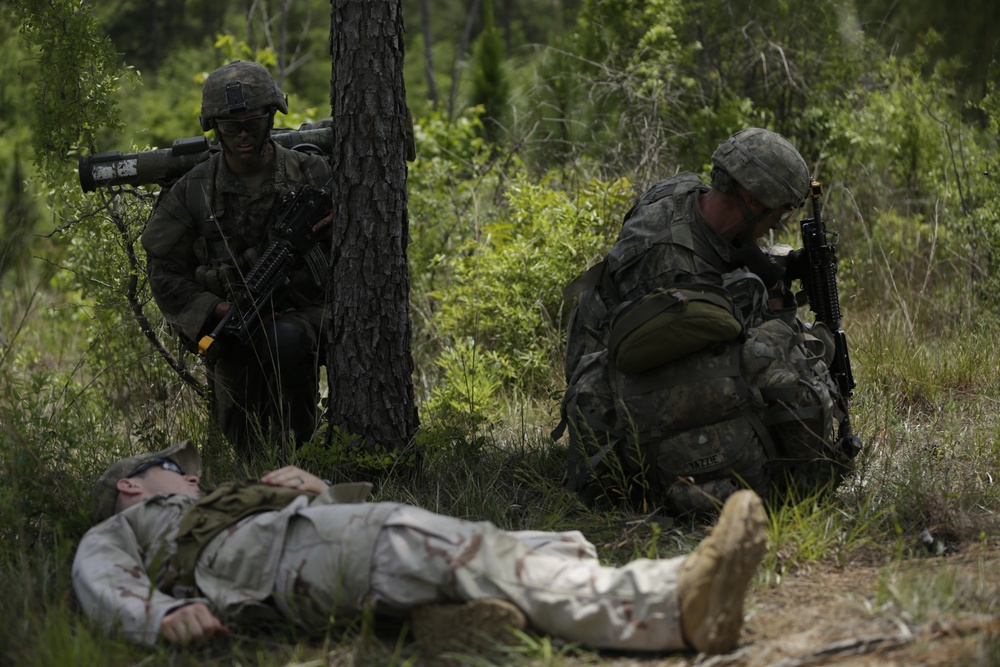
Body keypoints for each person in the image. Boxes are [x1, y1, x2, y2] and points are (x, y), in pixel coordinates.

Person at [73, 439, 769, 655]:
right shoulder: (132, 523)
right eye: (172, 468)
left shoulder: (209, 500)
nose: (189, 474)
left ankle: (447, 627)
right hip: (269, 560)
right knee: (422, 539)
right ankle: (672, 602)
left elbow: (323, 527)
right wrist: (159, 614)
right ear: (132, 488)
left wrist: (316, 487)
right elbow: (98, 574)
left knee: (550, 541)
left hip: (305, 547)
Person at [560, 127, 859, 516]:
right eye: (776, 213)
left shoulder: (687, 194)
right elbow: (716, 348)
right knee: (776, 366)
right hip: (611, 372)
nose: (774, 226)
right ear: (751, 198)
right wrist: (792, 327)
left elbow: (720, 256)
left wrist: (777, 265)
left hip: (649, 324)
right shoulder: (672, 264)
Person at [141, 60, 333, 459]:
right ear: (214, 128)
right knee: (245, 448)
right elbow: (164, 271)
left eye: (252, 123)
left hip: (308, 313)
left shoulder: (311, 173)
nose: (242, 135)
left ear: (271, 117)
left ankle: (308, 452)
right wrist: (217, 308)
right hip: (236, 324)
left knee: (287, 340)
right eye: (230, 126)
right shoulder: (193, 190)